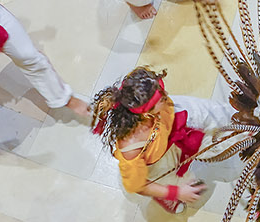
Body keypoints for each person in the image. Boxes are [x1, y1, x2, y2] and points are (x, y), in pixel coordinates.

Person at [89, 65, 236, 213]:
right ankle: (162, 194)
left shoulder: (162, 105)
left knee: (208, 115)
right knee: (176, 180)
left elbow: (202, 110)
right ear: (146, 112)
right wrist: (175, 192)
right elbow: (138, 185)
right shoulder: (132, 147)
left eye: (162, 90)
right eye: (161, 98)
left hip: (167, 134)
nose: (166, 95)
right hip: (156, 163)